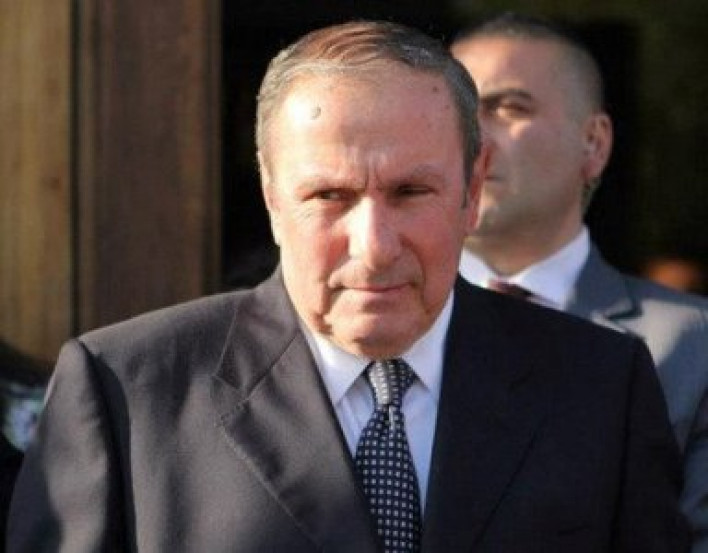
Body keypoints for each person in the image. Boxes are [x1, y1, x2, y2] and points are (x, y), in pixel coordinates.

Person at [8, 20, 688, 553]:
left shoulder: (601, 385)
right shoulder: (128, 389)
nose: (374, 245)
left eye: (411, 191)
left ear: (472, 191)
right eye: (329, 195)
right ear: (273, 195)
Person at [451, 12, 708, 552]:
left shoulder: (692, 346)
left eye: (509, 107)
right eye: (456, 112)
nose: (473, 135)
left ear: (593, 143)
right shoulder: (372, 323)